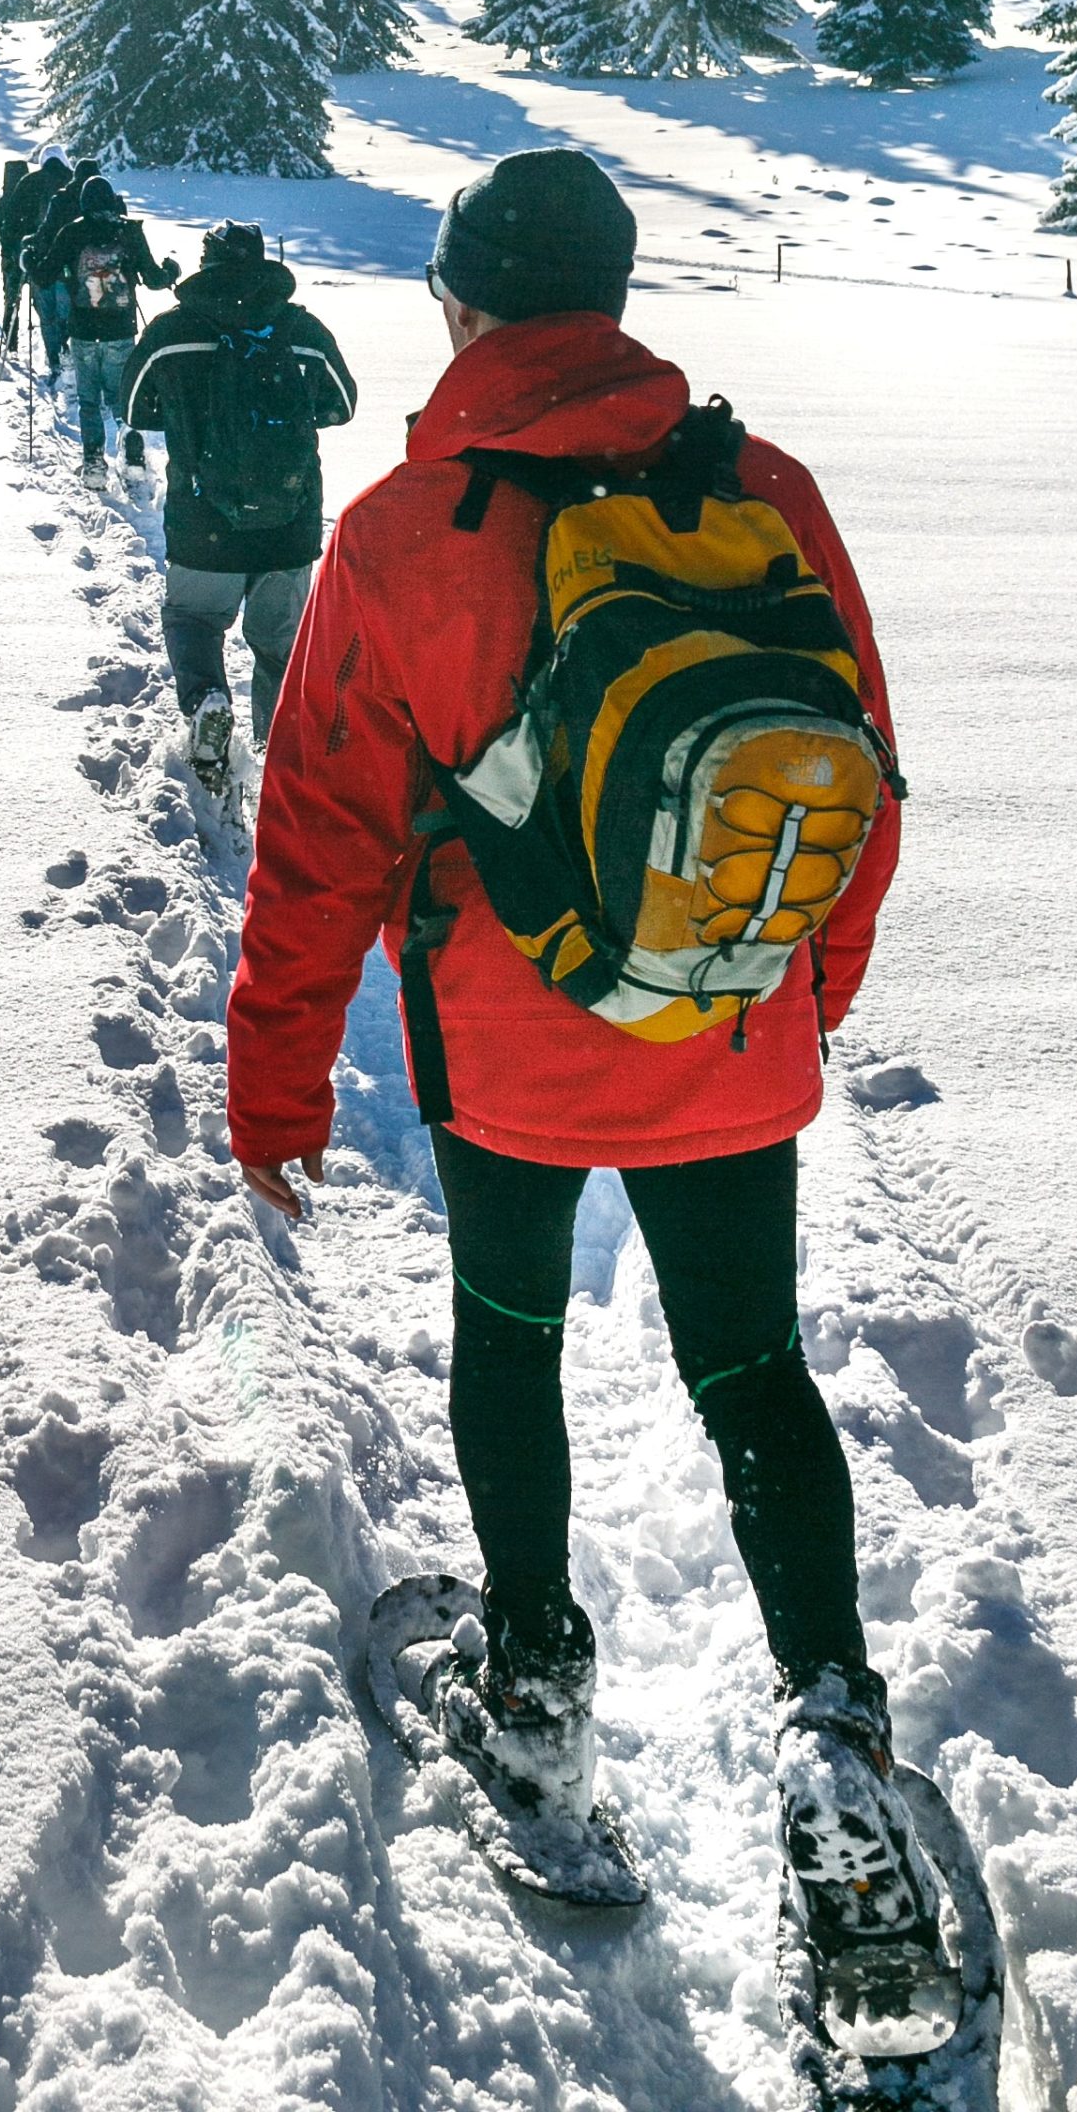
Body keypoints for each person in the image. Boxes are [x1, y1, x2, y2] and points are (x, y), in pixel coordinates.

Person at [226, 148, 943, 1997]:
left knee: (514, 1347)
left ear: (461, 302)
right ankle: (833, 1738)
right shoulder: (760, 491)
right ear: (613, 301)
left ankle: (535, 1694)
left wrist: (279, 1086)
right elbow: (858, 769)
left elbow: (320, 839)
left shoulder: (400, 536)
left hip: (512, 1060)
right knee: (754, 1372)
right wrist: (801, 995)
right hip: (726, 1033)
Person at [121, 222, 354, 791]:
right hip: (290, 521)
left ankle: (207, 703)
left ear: (206, 263)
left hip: (204, 523)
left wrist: (187, 419)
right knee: (280, 644)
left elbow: (132, 406)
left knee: (194, 619)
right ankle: (280, 757)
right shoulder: (301, 329)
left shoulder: (174, 331)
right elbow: (343, 404)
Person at [31, 175, 177, 486]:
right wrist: (171, 270)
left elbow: (44, 276)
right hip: (120, 330)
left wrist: (28, 259)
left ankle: (94, 464)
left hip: (83, 329)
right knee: (120, 396)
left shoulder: (72, 232)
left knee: (88, 400)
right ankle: (131, 445)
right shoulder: (129, 232)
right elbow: (153, 279)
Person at [22, 156, 100, 379]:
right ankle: (73, 353)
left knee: (49, 315)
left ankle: (55, 356)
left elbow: (47, 231)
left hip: (58, 267)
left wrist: (30, 247)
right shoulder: (108, 199)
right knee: (73, 315)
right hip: (95, 272)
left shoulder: (62, 198)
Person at [0, 149, 63, 346]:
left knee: (11, 301)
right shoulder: (39, 195)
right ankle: (52, 345)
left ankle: (10, 343)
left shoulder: (0, 206)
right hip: (37, 256)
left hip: (11, 257)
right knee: (42, 304)